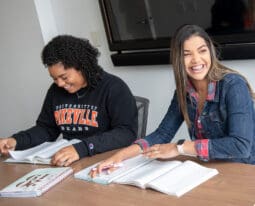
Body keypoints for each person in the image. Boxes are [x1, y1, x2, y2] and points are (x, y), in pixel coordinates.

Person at [91, 24, 255, 177]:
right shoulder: (183, 93)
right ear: (178, 59)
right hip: (211, 171)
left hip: (245, 171)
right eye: (187, 54)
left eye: (202, 51)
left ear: (210, 52)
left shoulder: (233, 85)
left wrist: (179, 148)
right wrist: (119, 157)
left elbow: (240, 146)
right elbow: (162, 134)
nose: (196, 60)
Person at [0, 35, 138, 166]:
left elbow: (126, 133)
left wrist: (82, 148)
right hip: (70, 162)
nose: (59, 84)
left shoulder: (113, 88)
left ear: (82, 67)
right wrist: (16, 141)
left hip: (104, 160)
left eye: (64, 77)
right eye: (54, 78)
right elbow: (46, 129)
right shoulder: (55, 91)